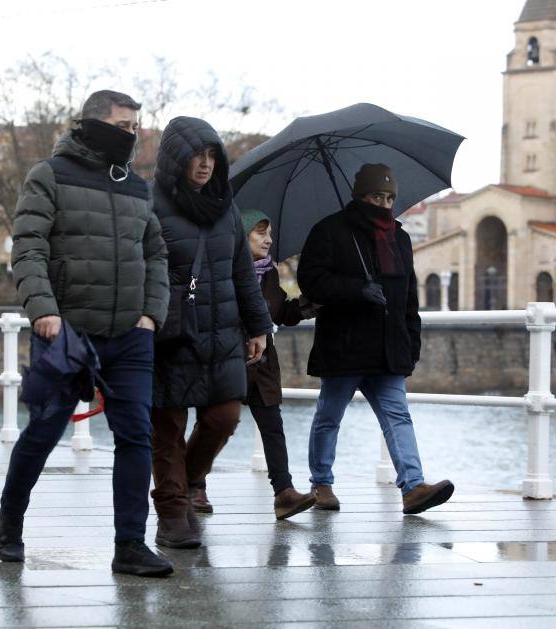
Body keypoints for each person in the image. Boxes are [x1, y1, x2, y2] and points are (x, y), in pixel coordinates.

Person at [0, 90, 173, 577]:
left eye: (136, 127)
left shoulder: (137, 187)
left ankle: (130, 545)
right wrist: (43, 311)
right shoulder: (48, 175)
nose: (131, 136)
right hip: (67, 330)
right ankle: (10, 520)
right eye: (123, 126)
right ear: (91, 124)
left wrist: (151, 313)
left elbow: (157, 254)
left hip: (130, 334)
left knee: (136, 436)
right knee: (45, 432)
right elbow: (28, 246)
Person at [297, 163, 454, 515]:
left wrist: (411, 343)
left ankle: (413, 487)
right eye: (376, 196)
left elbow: (409, 297)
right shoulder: (329, 231)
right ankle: (321, 483)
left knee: (398, 416)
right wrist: (357, 289)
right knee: (329, 416)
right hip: (345, 345)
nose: (383, 204)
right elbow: (312, 280)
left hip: (388, 347)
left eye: (388, 198)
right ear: (360, 196)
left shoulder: (399, 237)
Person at [151, 116, 273, 549]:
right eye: (195, 157)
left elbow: (243, 273)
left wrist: (259, 325)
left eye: (210, 157)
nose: (204, 165)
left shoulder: (226, 206)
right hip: (170, 334)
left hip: (221, 332)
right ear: (174, 159)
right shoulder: (150, 204)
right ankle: (171, 514)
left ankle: (185, 481)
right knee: (166, 424)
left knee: (224, 417)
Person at [241, 209, 317, 519]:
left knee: (273, 425)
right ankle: (196, 487)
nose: (269, 239)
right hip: (231, 357)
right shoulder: (225, 271)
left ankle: (284, 493)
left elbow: (278, 311)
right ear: (242, 236)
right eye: (261, 233)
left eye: (269, 233)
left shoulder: (269, 272)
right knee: (217, 423)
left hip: (264, 362)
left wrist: (311, 304)